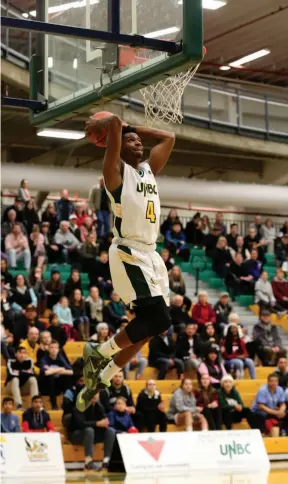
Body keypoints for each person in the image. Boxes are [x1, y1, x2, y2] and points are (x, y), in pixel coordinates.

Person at [76, 113, 175, 411]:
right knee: (158, 320)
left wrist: (134, 128)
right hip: (128, 252)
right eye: (131, 140)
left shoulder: (148, 171)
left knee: (149, 329)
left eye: (139, 141)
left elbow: (169, 138)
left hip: (151, 255)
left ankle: (103, 377)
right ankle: (98, 352)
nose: (138, 143)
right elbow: (116, 122)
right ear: (117, 147)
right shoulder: (114, 173)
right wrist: (119, 128)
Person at [69, 392, 116, 471]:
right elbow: (81, 424)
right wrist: (97, 423)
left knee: (110, 431)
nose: (94, 395)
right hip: (77, 435)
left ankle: (106, 460)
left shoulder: (99, 406)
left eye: (96, 393)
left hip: (92, 435)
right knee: (89, 430)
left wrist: (105, 422)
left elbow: (104, 419)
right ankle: (88, 462)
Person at [40, 340, 73, 409]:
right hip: (46, 386)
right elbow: (46, 373)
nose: (54, 350)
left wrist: (52, 370)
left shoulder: (60, 358)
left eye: (56, 348)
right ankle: (54, 405)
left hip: (58, 385)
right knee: (50, 377)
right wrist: (60, 369)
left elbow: (71, 372)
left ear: (58, 349)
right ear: (48, 349)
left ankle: (66, 402)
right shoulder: (44, 359)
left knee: (68, 378)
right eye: (51, 347)